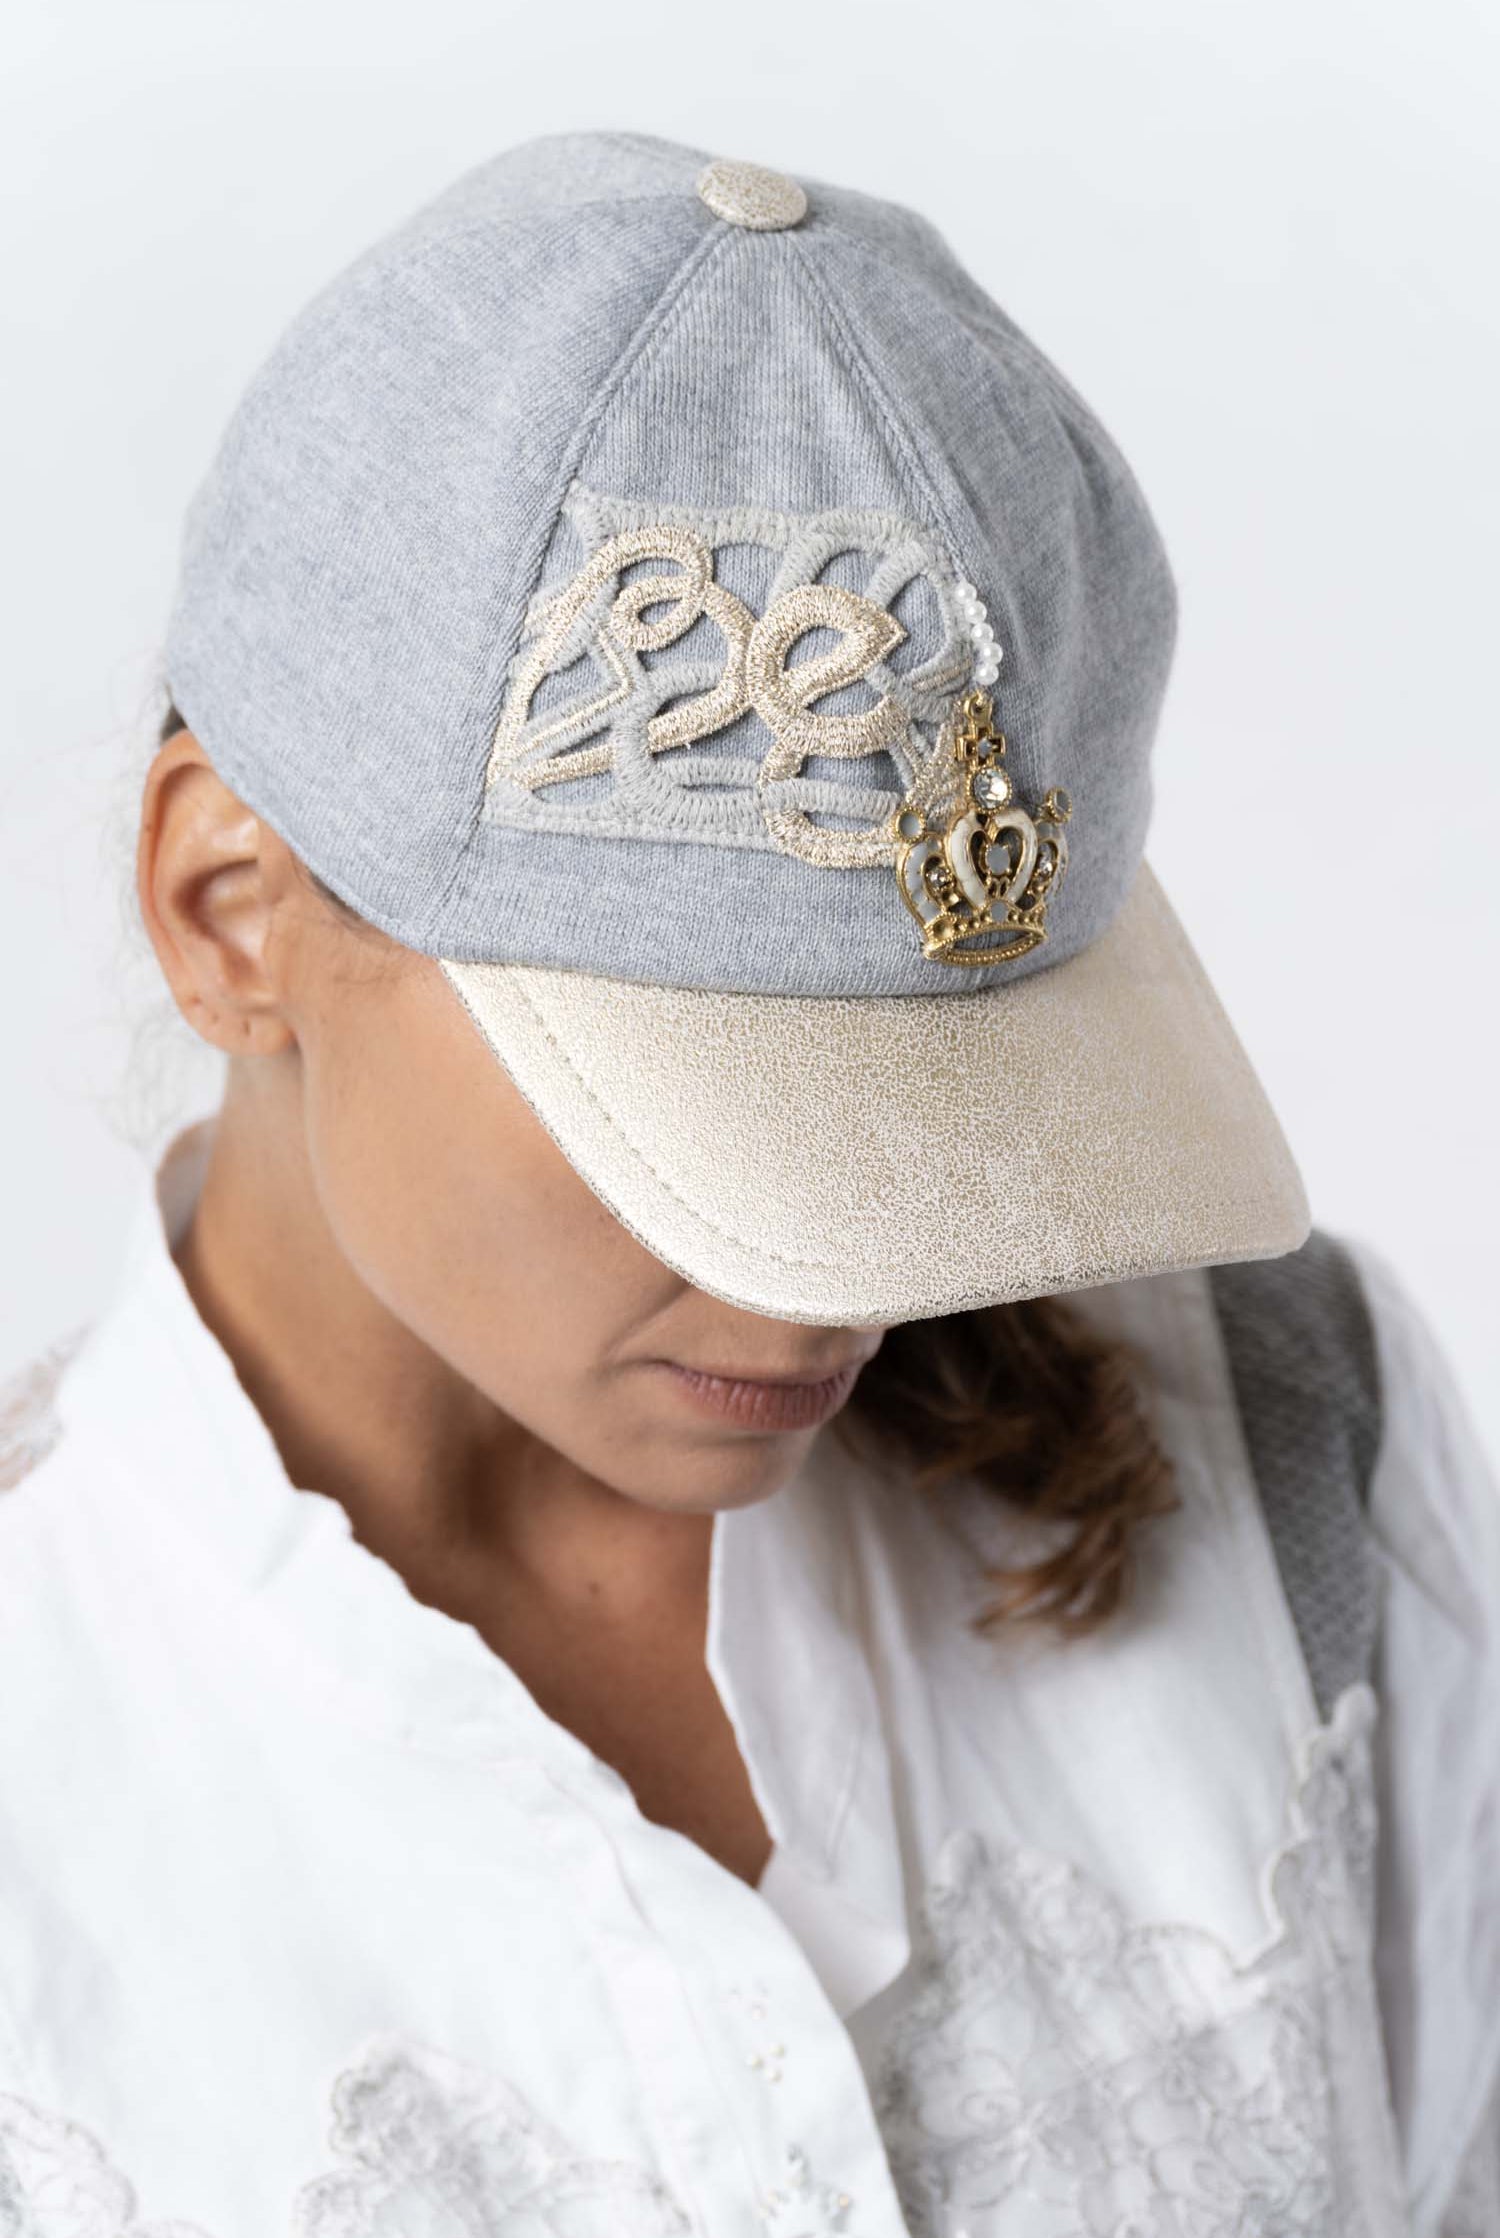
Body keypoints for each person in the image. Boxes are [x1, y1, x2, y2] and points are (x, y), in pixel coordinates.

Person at [0, 130, 1495, 2237]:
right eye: (703, 1105)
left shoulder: (1290, 1432)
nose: (837, 1271)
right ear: (228, 912)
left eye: (945, 1090)